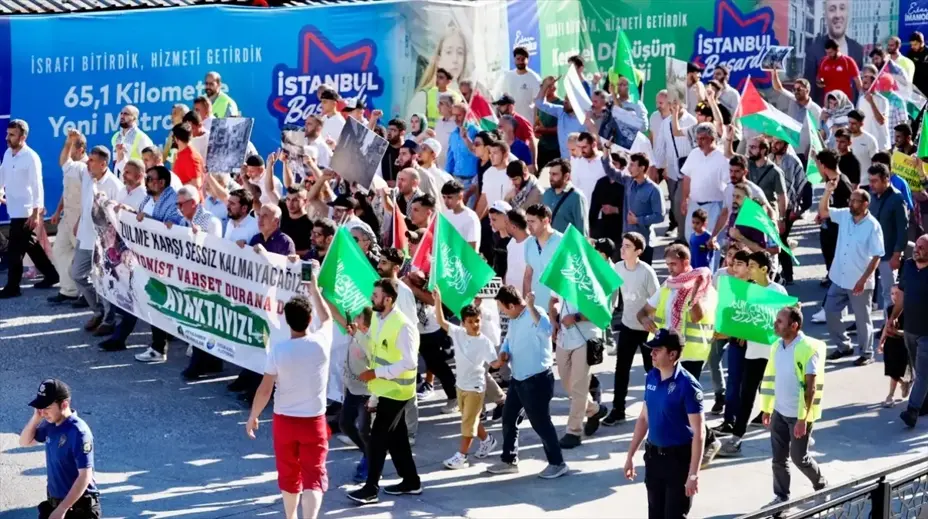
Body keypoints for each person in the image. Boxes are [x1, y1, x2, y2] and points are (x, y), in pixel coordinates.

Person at [246, 282, 332, 519]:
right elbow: (327, 319)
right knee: (314, 475)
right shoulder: (321, 343)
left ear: (286, 321)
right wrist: (315, 288)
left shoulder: (279, 351)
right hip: (313, 421)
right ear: (309, 317)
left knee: (288, 472)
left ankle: (290, 516)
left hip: (284, 421)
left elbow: (264, 390)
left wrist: (253, 416)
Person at [637, 244, 721, 467]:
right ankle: (701, 440)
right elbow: (643, 311)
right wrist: (645, 320)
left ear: (686, 261)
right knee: (673, 402)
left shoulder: (704, 286)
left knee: (685, 404)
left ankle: (707, 441)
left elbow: (697, 316)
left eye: (673, 264)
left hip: (691, 354)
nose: (670, 269)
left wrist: (692, 292)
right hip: (665, 354)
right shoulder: (668, 285)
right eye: (667, 265)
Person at [347, 279, 422, 504]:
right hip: (386, 389)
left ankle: (371, 488)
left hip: (398, 391)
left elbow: (409, 362)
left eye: (376, 295)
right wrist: (358, 334)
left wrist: (377, 373)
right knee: (397, 438)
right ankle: (411, 481)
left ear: (388, 299)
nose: (372, 298)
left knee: (378, 438)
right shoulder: (380, 320)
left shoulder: (403, 325)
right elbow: (375, 349)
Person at [486, 285, 569, 479]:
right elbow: (508, 340)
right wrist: (504, 352)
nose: (503, 313)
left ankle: (557, 463)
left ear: (512, 305)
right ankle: (509, 460)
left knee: (541, 423)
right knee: (508, 417)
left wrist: (531, 307)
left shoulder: (536, 312)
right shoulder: (514, 319)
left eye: (503, 309)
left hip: (536, 380)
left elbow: (547, 331)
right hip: (518, 380)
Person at [623, 329, 704, 519]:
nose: (651, 353)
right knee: (655, 514)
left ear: (672, 354)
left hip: (678, 461)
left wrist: (693, 475)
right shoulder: (652, 376)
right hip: (654, 459)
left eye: (657, 350)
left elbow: (699, 433)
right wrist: (630, 455)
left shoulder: (688, 385)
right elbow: (644, 418)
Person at [716, 252, 789, 455]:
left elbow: (788, 322)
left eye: (752, 266)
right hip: (754, 353)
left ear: (764, 269)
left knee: (781, 396)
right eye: (747, 265)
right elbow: (740, 316)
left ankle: (795, 434)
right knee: (746, 395)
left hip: (776, 354)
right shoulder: (747, 290)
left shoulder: (778, 291)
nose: (748, 269)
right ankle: (737, 438)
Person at [760, 307, 828, 507]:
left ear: (794, 325)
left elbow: (810, 387)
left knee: (799, 458)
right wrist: (766, 408)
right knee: (778, 459)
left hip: (798, 416)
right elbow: (770, 378)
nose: (775, 324)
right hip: (779, 412)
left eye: (780, 321)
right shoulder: (776, 346)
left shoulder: (807, 348)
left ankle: (821, 484)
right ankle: (781, 498)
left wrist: (802, 419)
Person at [431, 289, 499, 469]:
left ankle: (462, 456)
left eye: (477, 321)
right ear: (463, 323)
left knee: (468, 423)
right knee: (471, 419)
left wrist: (505, 357)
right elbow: (440, 321)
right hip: (460, 385)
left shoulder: (485, 342)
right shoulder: (458, 333)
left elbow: (495, 363)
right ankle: (487, 440)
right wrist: (438, 300)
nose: (474, 324)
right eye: (470, 322)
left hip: (475, 388)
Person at [819, 181, 885, 366]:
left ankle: (866, 352)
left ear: (865, 204)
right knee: (831, 311)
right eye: (850, 200)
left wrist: (863, 280)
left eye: (855, 201)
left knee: (862, 320)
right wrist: (827, 192)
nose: (851, 204)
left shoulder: (873, 226)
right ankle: (843, 346)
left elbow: (877, 256)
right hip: (839, 277)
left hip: (859, 281)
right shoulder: (845, 216)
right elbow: (823, 212)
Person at [19, 379, 101, 519]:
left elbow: (85, 476)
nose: (43, 412)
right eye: (40, 407)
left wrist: (62, 509)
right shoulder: (50, 424)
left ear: (64, 404)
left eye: (47, 408)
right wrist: (36, 418)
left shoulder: (78, 432)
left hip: (78, 508)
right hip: (55, 503)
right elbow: (25, 442)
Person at [603, 232, 660, 426]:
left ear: (639, 251)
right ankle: (618, 410)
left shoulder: (646, 272)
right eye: (623, 245)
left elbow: (658, 300)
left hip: (647, 329)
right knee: (621, 370)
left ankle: (656, 409)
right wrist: (607, 314)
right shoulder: (618, 267)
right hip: (627, 325)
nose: (622, 249)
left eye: (628, 246)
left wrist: (651, 322)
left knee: (652, 371)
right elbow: (610, 291)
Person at [0, 119, 59, 299]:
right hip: (14, 207)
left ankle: (13, 287)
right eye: (7, 134)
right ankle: (51, 275)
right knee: (31, 245)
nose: (7, 138)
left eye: (12, 135)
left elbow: (37, 186)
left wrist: (36, 212)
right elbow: (3, 175)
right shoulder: (9, 154)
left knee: (14, 251)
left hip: (26, 211)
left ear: (23, 137)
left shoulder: (31, 157)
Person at [71, 146, 123, 335]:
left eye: (92, 160)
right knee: (77, 274)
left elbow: (116, 218)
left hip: (102, 241)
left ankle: (109, 319)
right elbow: (86, 205)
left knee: (103, 279)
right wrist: (79, 221)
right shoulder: (88, 177)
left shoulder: (114, 185)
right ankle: (98, 310)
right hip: (85, 235)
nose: (88, 162)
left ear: (103, 164)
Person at [48, 130, 87, 304]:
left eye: (71, 146)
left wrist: (81, 220)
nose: (67, 151)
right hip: (67, 215)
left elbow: (89, 198)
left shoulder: (87, 167)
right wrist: (57, 211)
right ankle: (68, 290)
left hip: (82, 217)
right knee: (60, 250)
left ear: (81, 149)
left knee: (85, 256)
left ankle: (89, 294)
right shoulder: (71, 166)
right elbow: (66, 192)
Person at [867, 164, 908, 317]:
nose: (871, 185)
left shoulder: (897, 199)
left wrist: (897, 255)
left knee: (889, 293)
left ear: (886, 179)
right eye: (870, 181)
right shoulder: (873, 197)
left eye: (875, 181)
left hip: (888, 255)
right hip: (871, 253)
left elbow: (902, 229)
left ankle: (889, 326)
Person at [681, 123, 729, 248]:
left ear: (712, 139)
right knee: (690, 237)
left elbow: (729, 184)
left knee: (711, 240)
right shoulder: (694, 154)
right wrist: (684, 199)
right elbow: (687, 177)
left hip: (714, 206)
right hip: (694, 204)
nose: (699, 142)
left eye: (703, 139)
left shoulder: (722, 157)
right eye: (697, 139)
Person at [898, 234, 928, 427]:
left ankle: (913, 410)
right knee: (920, 371)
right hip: (909, 329)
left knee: (923, 373)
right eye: (916, 245)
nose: (916, 249)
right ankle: (924, 402)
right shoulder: (908, 266)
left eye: (922, 247)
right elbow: (901, 294)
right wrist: (892, 318)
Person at [807, 18, 864, 104]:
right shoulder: (824, 61)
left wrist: (862, 99)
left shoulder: (848, 61)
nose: (828, 55)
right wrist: (820, 82)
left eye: (830, 52)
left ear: (837, 49)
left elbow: (858, 83)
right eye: (827, 53)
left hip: (845, 102)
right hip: (829, 103)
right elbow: (819, 79)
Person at [522, 203, 563, 312]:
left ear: (546, 221)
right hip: (536, 309)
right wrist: (527, 307)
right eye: (527, 222)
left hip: (558, 309)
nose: (529, 226)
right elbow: (528, 276)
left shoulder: (563, 242)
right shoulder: (528, 243)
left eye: (532, 222)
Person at [535, 76, 585, 159]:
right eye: (565, 99)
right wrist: (545, 85)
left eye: (568, 100)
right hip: (564, 161)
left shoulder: (584, 120)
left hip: (580, 163)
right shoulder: (560, 111)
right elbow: (539, 103)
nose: (565, 101)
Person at [879, 285, 910, 408]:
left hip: (903, 343)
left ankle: (890, 396)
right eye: (892, 294)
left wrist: (897, 332)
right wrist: (881, 341)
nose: (894, 296)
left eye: (897, 293)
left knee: (896, 370)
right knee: (891, 370)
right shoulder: (890, 309)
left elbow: (910, 331)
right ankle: (904, 383)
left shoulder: (909, 310)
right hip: (891, 342)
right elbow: (887, 326)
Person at [494, 46, 542, 123]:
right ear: (514, 60)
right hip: (510, 122)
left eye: (523, 59)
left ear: (527, 60)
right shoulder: (508, 76)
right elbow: (504, 96)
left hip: (527, 121)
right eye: (518, 59)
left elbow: (538, 104)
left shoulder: (535, 78)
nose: (520, 62)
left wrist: (535, 123)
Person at [542, 158, 588, 234]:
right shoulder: (547, 194)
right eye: (550, 174)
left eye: (554, 174)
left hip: (567, 244)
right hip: (548, 243)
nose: (550, 178)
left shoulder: (577, 197)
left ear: (566, 176)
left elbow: (582, 229)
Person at [111, 105, 154, 177]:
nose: (122, 116)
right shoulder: (116, 137)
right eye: (121, 113)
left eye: (126, 114)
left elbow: (149, 163)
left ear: (134, 118)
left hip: (134, 180)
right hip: (120, 180)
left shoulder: (142, 137)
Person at [441, 179, 481, 250]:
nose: (446, 201)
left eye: (449, 197)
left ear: (460, 196)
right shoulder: (445, 215)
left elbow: (473, 248)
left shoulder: (471, 217)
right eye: (444, 197)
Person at [170, 123, 205, 188]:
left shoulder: (191, 157)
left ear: (176, 139)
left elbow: (197, 183)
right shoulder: (181, 153)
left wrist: (178, 186)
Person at [908, 32, 928, 98]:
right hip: (915, 89)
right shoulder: (910, 53)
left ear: (922, 42)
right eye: (911, 45)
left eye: (915, 44)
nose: (913, 47)